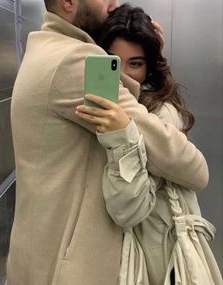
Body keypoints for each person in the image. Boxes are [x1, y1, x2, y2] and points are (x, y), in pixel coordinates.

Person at [7, 1, 209, 285]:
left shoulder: (44, 46)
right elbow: (190, 166)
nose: (114, 3)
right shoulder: (76, 61)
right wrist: (147, 60)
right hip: (69, 267)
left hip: (39, 253)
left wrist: (149, 50)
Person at [76, 4, 222, 285]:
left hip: (157, 258)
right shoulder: (116, 106)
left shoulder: (159, 114)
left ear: (149, 66)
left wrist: (122, 136)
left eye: (136, 63)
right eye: (114, 62)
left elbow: (129, 211)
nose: (125, 75)